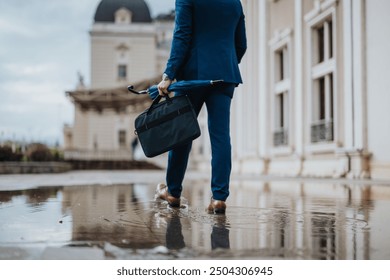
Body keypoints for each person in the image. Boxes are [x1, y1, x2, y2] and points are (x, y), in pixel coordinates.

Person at [156, 0, 247, 214]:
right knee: (221, 137)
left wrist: (169, 74)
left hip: (192, 76)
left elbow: (181, 36)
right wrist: (225, 62)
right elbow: (241, 44)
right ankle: (219, 198)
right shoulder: (235, 2)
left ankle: (174, 192)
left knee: (182, 133)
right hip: (225, 75)